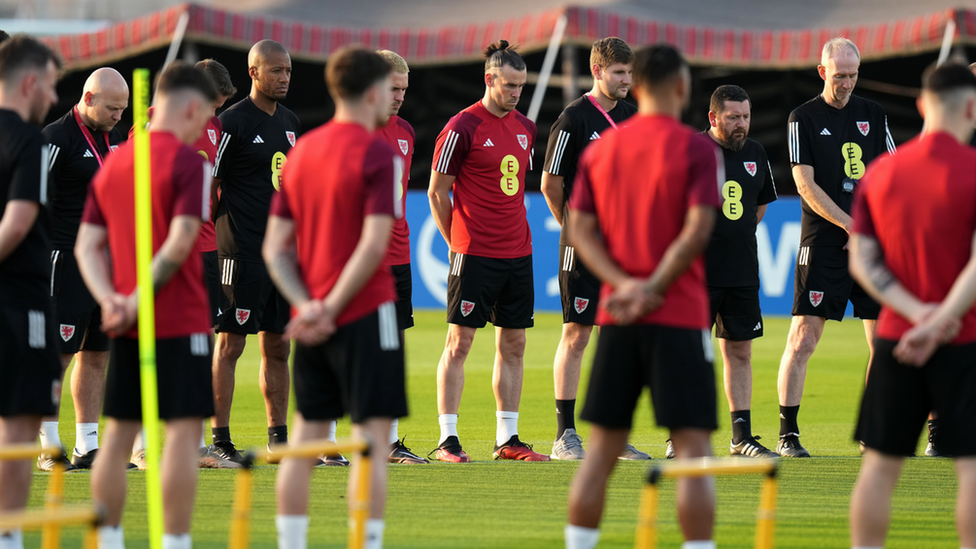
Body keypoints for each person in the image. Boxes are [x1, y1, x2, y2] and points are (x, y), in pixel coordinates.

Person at [564, 44, 722, 549]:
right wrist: (652, 287)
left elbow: (579, 229)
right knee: (693, 452)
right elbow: (698, 231)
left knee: (602, 454)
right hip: (679, 315)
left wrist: (623, 283)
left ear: (642, 83)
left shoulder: (602, 149)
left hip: (619, 317)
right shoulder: (697, 148)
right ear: (680, 87)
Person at [263, 45, 405, 549]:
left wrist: (310, 304)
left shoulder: (303, 153)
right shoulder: (380, 154)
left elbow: (275, 247)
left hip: (311, 318)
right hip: (366, 312)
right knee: (371, 442)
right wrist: (332, 305)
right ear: (372, 91)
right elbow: (373, 245)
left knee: (303, 441)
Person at [75, 62, 217, 549]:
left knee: (117, 437)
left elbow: (85, 246)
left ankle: (109, 539)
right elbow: (180, 244)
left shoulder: (117, 160)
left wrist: (111, 300)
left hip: (128, 323)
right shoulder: (189, 164)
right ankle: (175, 541)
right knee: (180, 438)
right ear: (193, 107)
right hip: (180, 320)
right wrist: (135, 299)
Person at [848, 62, 976, 549]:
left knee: (880, 467)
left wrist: (915, 316)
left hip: (896, 338)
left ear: (922, 105)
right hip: (963, 340)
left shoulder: (882, 172)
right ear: (972, 107)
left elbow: (863, 261)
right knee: (970, 471)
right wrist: (940, 321)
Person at [427, 39, 547, 462]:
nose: (516, 93)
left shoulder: (526, 127)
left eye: (521, 86)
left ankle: (507, 440)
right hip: (474, 253)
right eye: (510, 85)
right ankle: (447, 439)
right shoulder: (462, 127)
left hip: (519, 252)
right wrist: (455, 243)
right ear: (489, 79)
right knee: (459, 344)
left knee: (513, 345)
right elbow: (437, 193)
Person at [777, 37, 895, 457]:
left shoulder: (873, 114)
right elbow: (803, 183)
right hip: (825, 241)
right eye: (840, 75)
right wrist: (849, 224)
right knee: (804, 337)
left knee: (884, 343)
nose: (847, 83)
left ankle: (873, 433)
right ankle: (787, 433)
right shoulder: (801, 117)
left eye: (853, 75)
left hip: (869, 244)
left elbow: (892, 177)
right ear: (823, 72)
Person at [127, 58, 240, 470]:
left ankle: (192, 445)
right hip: (161, 248)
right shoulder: (151, 123)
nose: (213, 115)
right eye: (213, 105)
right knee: (153, 342)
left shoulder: (216, 126)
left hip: (205, 247)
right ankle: (141, 445)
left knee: (199, 342)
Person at [541, 37, 648, 462]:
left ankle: (614, 435)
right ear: (598, 71)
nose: (627, 80)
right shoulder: (573, 120)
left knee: (619, 336)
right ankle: (564, 435)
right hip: (583, 246)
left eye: (629, 72)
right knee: (577, 333)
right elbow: (551, 183)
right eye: (619, 73)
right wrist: (574, 229)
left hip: (625, 247)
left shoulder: (635, 117)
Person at [210, 39, 300, 462]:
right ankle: (220, 439)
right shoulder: (232, 123)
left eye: (287, 70)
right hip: (240, 251)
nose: (284, 77)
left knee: (278, 346)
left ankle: (278, 437)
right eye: (276, 70)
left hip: (281, 257)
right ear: (253, 72)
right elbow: (211, 182)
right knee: (230, 345)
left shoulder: (290, 121)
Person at [40, 67, 128, 471]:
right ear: (88, 98)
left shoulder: (112, 140)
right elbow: (31, 202)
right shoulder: (56, 139)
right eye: (112, 108)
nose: (118, 116)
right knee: (57, 354)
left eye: (123, 110)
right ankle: (46, 446)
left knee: (96, 354)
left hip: (106, 265)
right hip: (64, 260)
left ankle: (87, 446)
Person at [0, 34, 62, 549]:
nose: (55, 98)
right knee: (19, 430)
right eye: (52, 85)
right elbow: (17, 224)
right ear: (29, 81)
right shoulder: (31, 140)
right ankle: (9, 537)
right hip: (18, 304)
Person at [700, 84, 779, 458]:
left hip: (742, 269)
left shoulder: (756, 152)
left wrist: (737, 232)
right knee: (692, 353)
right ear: (714, 118)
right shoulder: (694, 151)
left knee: (741, 352)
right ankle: (679, 435)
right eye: (733, 117)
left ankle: (741, 437)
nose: (741, 125)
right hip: (697, 273)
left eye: (745, 117)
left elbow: (760, 206)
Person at [374, 49, 427, 465]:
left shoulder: (406, 132)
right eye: (393, 88)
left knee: (393, 349)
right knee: (349, 346)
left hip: (398, 254)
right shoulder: (350, 133)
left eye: (404, 90)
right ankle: (334, 440)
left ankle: (390, 441)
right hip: (356, 258)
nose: (399, 97)